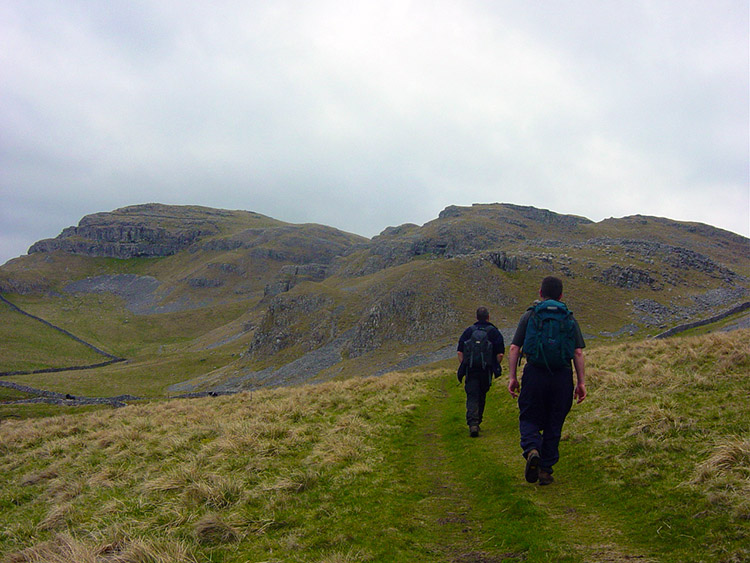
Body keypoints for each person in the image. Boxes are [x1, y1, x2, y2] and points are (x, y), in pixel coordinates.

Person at [507, 276, 586, 485]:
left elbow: (514, 348)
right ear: (561, 295)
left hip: (535, 373)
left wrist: (513, 377)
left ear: (540, 293)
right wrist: (581, 382)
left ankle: (532, 448)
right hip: (561, 376)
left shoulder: (530, 316)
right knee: (554, 421)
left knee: (529, 416)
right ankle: (545, 470)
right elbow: (577, 352)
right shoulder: (569, 318)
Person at [457, 306, 505, 437]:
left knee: (472, 395)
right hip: (485, 371)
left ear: (476, 317)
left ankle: (473, 423)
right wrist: (493, 365)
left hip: (471, 370)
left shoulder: (469, 331)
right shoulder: (494, 332)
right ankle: (478, 421)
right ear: (488, 317)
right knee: (482, 395)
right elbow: (500, 354)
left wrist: (465, 364)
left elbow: (460, 350)